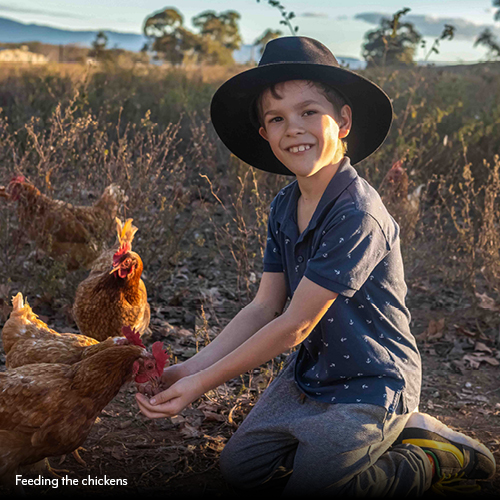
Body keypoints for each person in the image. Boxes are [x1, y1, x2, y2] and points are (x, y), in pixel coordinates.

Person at [136, 37, 496, 496]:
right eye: (277, 119)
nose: (294, 129)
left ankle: (425, 455)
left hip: (372, 381)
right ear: (265, 134)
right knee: (239, 470)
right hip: (311, 376)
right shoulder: (284, 205)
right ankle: (344, 447)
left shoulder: (357, 214)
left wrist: (203, 384)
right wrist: (189, 370)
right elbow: (264, 307)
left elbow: (295, 324)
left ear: (343, 121)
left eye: (309, 112)